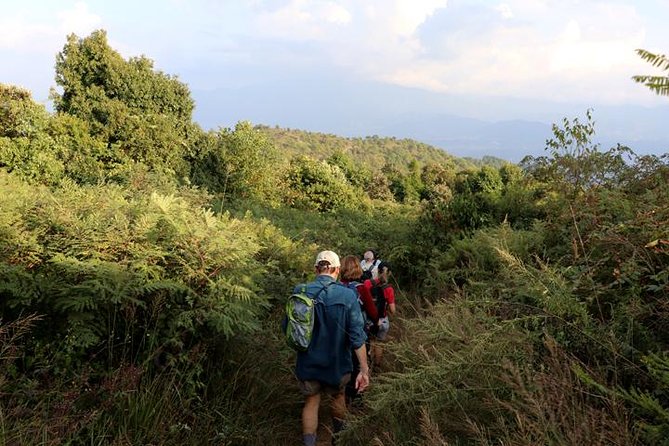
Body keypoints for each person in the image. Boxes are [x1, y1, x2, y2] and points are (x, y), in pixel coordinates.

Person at [293, 250, 370, 446]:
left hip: (308, 362)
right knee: (338, 397)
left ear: (315, 269)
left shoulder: (300, 291)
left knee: (311, 401)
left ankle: (309, 443)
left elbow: (288, 328)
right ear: (337, 270)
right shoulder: (347, 295)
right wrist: (364, 369)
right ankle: (339, 439)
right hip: (337, 364)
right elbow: (357, 337)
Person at [339, 255, 379, 404]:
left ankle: (342, 393)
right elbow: (372, 312)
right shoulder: (361, 288)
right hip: (358, 332)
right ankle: (356, 396)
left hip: (339, 333)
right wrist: (376, 323)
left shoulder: (335, 287)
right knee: (358, 364)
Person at [370, 264, 396, 367]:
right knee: (379, 343)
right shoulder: (388, 288)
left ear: (377, 270)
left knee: (371, 341)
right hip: (383, 319)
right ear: (389, 273)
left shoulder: (368, 283)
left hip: (370, 319)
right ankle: (377, 367)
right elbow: (393, 310)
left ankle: (368, 365)